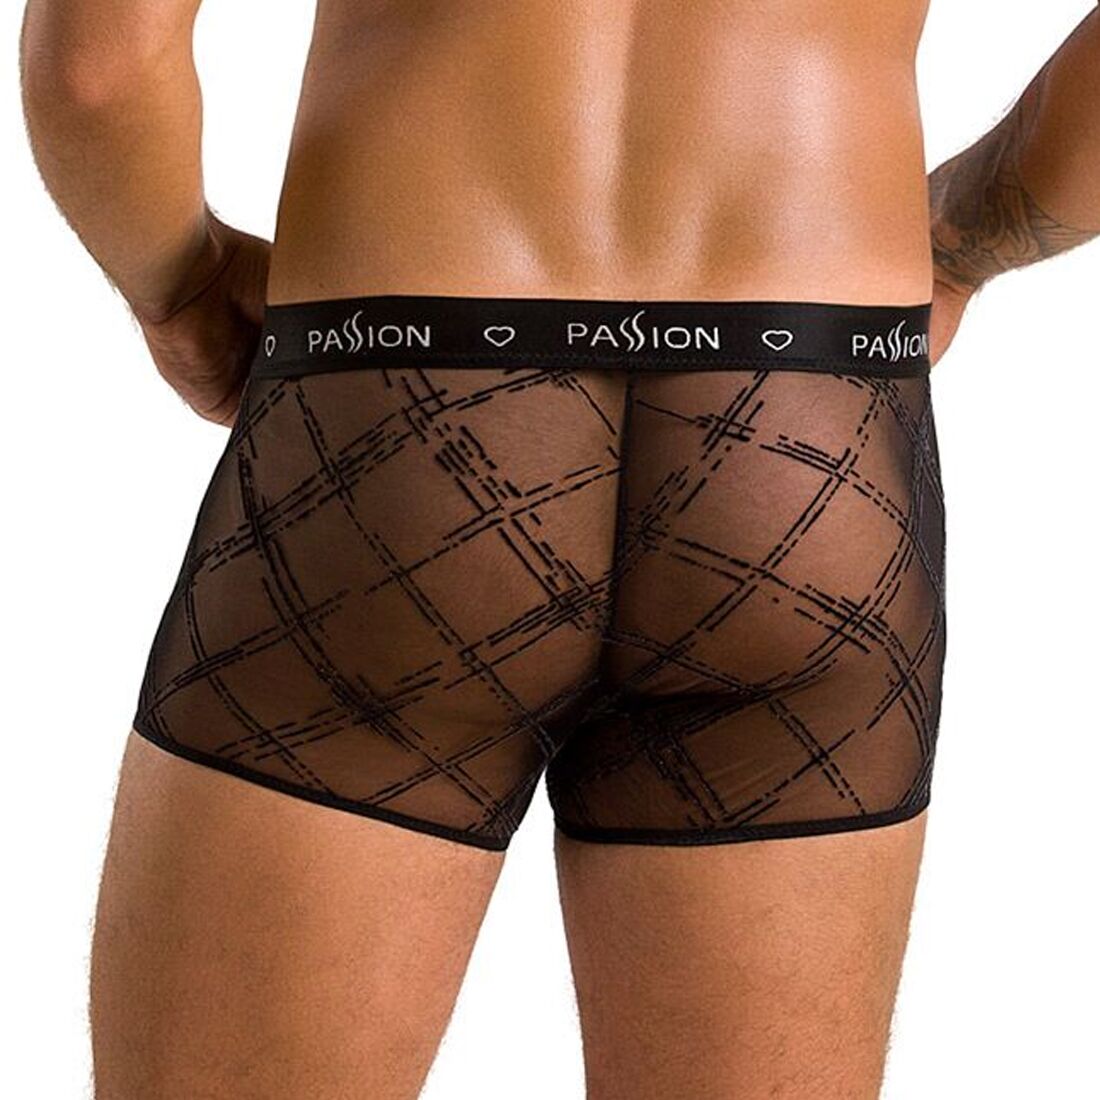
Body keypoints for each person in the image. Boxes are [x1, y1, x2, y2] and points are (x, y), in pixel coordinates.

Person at [19, 2, 1100, 1098]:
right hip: (805, 449)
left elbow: (99, 69)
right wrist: (968, 234)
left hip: (407, 424)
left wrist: (185, 289)